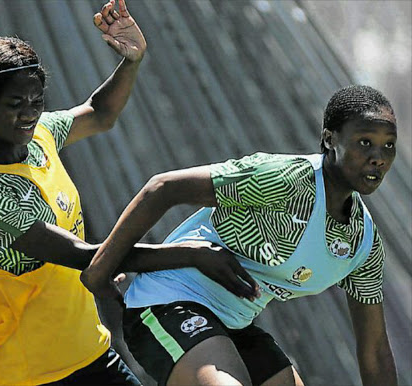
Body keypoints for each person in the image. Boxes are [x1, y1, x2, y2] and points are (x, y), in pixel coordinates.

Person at [0, 1, 258, 385]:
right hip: (31, 375)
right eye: (15, 104)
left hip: (91, 355)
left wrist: (132, 60)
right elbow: (86, 257)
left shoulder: (39, 137)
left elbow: (100, 112)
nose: (29, 113)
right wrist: (190, 255)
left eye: (36, 101)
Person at [81, 85, 399, 386]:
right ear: (330, 139)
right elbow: (163, 188)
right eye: (364, 142)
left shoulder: (363, 243)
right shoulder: (284, 181)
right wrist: (100, 271)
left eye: (388, 145)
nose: (378, 157)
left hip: (235, 324)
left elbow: (374, 351)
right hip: (169, 301)